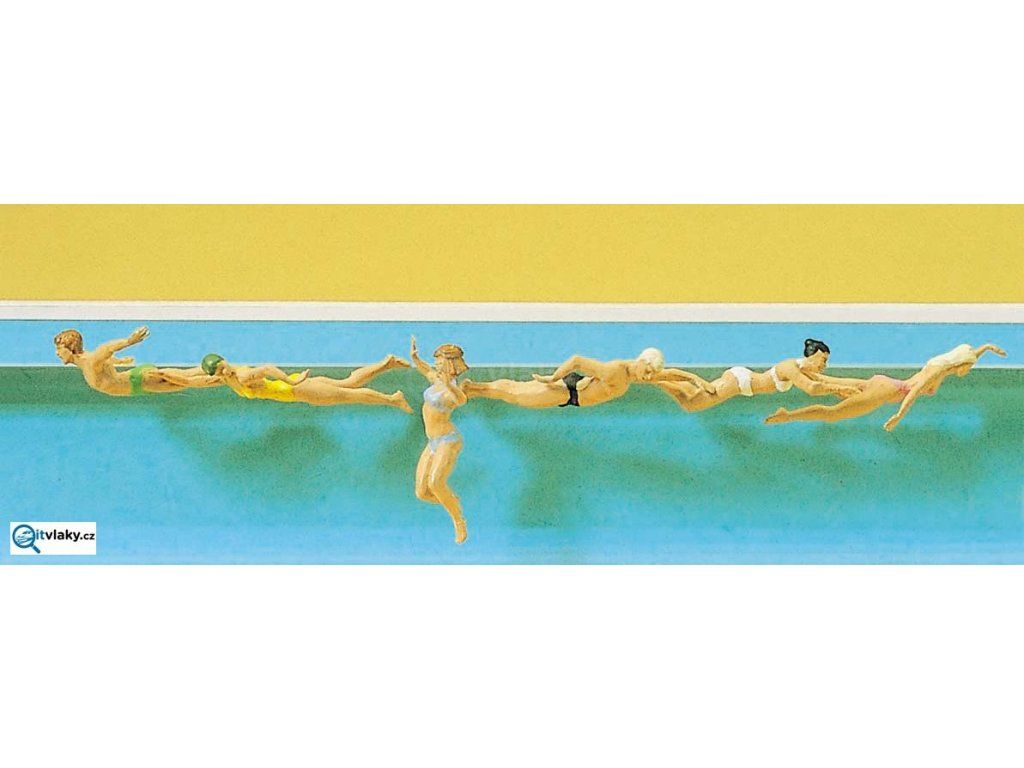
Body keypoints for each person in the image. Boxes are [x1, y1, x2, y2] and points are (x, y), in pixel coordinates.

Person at [764, 343, 1007, 431]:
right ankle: (788, 415)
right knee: (834, 413)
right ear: (962, 364)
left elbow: (968, 355)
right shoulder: (938, 369)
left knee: (834, 383)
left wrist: (986, 348)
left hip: (884, 384)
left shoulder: (946, 366)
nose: (967, 372)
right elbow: (914, 391)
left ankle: (804, 371)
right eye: (968, 367)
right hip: (889, 390)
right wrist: (899, 415)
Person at [652, 338, 859, 412]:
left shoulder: (802, 368)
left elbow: (823, 381)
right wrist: (840, 389)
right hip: (738, 382)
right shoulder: (790, 367)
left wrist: (850, 391)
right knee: (690, 404)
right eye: (823, 360)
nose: (824, 365)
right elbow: (812, 388)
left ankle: (658, 378)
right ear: (812, 356)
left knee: (693, 396)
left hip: (741, 381)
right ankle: (656, 378)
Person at [162, 353, 413, 411]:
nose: (223, 370)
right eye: (219, 370)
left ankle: (392, 399)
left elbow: (267, 368)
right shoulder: (227, 379)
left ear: (225, 361)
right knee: (347, 384)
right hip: (297, 387)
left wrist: (291, 381)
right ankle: (386, 363)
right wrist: (165, 375)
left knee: (350, 395)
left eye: (222, 365)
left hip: (297, 390)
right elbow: (192, 381)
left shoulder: (241, 376)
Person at [462, 348, 685, 408]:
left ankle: (472, 388)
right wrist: (553, 378)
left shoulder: (634, 373)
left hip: (573, 390)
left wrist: (694, 380)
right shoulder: (616, 371)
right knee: (516, 395)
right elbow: (577, 360)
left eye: (651, 374)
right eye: (648, 371)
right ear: (641, 361)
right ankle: (471, 390)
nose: (648, 377)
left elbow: (667, 374)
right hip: (567, 392)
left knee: (515, 388)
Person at [411, 336, 470, 544]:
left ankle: (459, 521)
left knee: (436, 484)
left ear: (448, 363)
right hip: (433, 442)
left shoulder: (451, 388)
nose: (435, 364)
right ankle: (452, 502)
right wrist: (415, 358)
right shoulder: (436, 379)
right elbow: (425, 370)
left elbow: (460, 400)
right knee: (421, 492)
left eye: (439, 360)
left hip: (448, 440)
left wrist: (448, 385)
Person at [53, 326, 224, 396]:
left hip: (141, 380)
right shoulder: (86, 361)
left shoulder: (90, 361)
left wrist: (129, 341)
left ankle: (227, 374)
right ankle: (224, 372)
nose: (57, 353)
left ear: (71, 347)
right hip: (139, 384)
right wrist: (120, 361)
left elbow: (106, 349)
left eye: (59, 349)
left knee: (187, 380)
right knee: (187, 378)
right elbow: (105, 359)